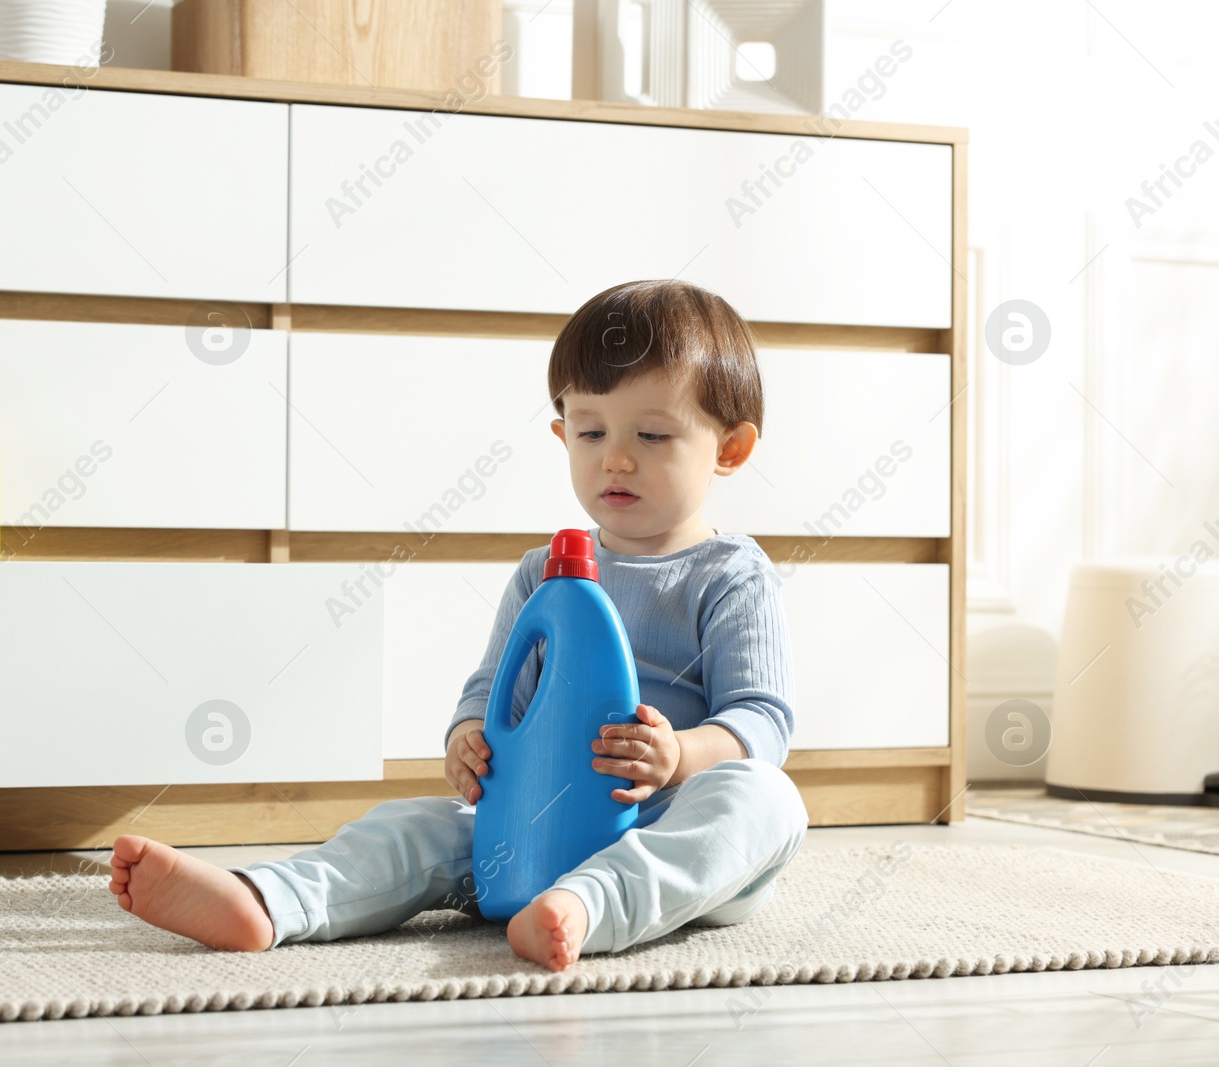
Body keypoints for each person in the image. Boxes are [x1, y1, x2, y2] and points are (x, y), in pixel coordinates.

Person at [108, 279, 810, 972]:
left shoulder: (731, 574)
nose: (615, 457)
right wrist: (466, 740)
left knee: (767, 800)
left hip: (671, 828)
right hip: (535, 827)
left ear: (731, 449)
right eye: (591, 430)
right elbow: (491, 691)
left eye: (652, 434)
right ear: (562, 432)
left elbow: (762, 721)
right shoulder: (545, 574)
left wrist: (679, 755)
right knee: (414, 825)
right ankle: (268, 900)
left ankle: (588, 906)